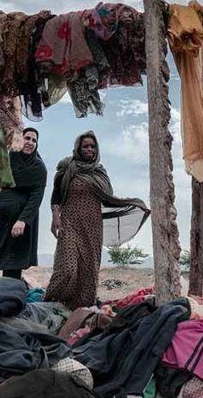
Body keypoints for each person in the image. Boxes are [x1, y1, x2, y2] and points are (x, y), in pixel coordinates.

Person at [44, 131, 149, 308]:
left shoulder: (100, 173)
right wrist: (56, 216)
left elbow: (108, 198)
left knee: (88, 269)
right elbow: (56, 195)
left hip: (92, 227)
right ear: (78, 148)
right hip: (69, 222)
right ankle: (53, 301)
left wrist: (130, 203)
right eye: (85, 146)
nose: (89, 149)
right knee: (67, 268)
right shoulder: (67, 169)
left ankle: (79, 307)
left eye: (92, 146)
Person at [0, 127, 46, 283]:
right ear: (20, 140)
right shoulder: (7, 159)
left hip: (16, 223)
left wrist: (23, 220)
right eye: (27, 138)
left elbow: (36, 197)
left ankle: (10, 301)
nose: (30, 143)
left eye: (34, 140)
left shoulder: (39, 168)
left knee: (11, 270)